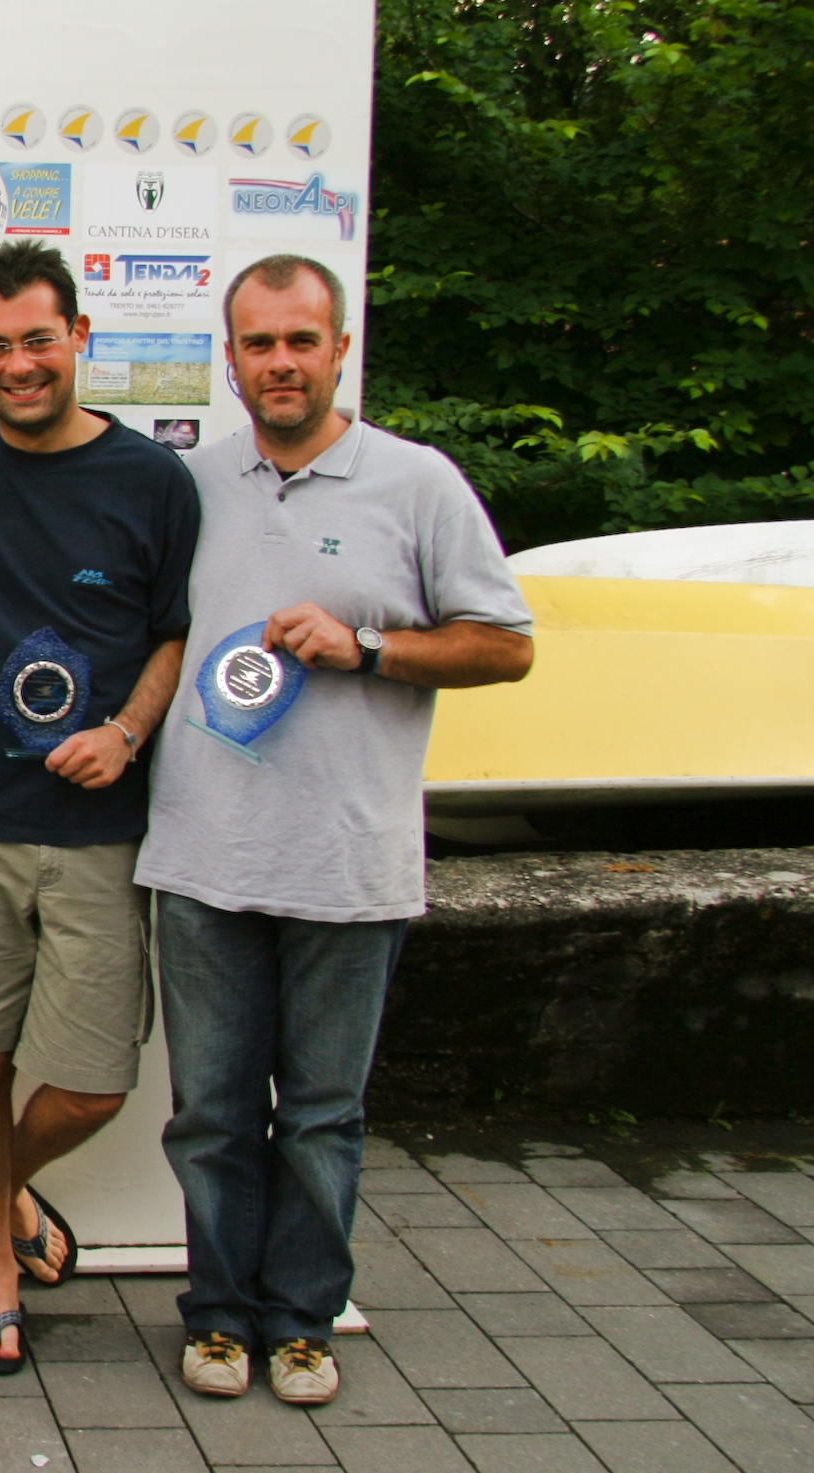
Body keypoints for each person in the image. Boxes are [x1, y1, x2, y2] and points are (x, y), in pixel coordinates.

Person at [137, 255, 534, 1405]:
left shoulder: (418, 484)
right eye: (259, 343)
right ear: (229, 359)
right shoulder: (193, 484)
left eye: (300, 341)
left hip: (349, 863)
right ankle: (220, 1315)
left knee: (320, 1117)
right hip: (205, 856)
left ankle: (303, 1322)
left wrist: (369, 648)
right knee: (211, 1117)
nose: (281, 363)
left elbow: (506, 644)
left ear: (340, 348)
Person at [0, 240, 200, 1373]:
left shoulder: (153, 479)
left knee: (91, 1083)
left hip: (97, 833)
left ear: (79, 336)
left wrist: (127, 731)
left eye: (39, 339)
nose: (20, 364)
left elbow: (173, 632)